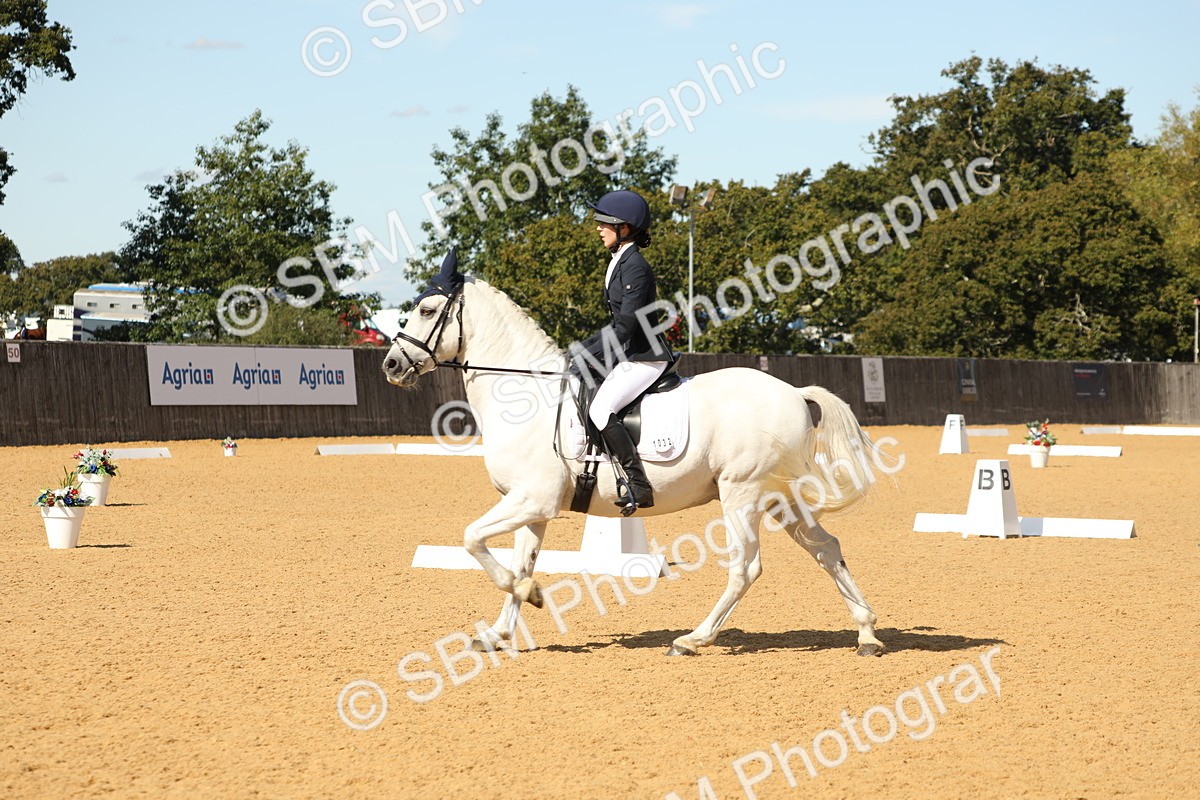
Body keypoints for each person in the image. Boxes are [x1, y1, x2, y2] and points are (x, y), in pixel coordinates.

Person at [575, 189, 672, 512]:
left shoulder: (635, 267)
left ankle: (639, 484)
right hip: (629, 353)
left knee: (601, 410)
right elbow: (616, 324)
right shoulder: (620, 261)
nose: (598, 227)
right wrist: (579, 350)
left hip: (645, 356)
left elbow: (626, 325)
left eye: (604, 223)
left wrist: (589, 354)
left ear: (625, 228)